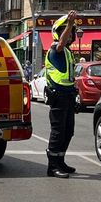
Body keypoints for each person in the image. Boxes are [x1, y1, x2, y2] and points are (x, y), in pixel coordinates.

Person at [44, 11, 79, 178]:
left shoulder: (68, 52)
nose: (71, 34)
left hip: (68, 95)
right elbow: (61, 43)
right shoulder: (55, 49)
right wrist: (70, 23)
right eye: (67, 31)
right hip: (58, 96)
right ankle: (52, 166)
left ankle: (60, 160)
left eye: (72, 32)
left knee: (68, 131)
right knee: (58, 132)